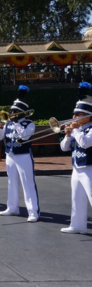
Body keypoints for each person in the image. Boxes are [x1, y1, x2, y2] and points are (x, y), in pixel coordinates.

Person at [0, 85, 39, 222]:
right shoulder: (8, 123)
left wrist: (16, 123)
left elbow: (25, 136)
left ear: (21, 112)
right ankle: (12, 207)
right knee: (11, 182)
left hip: (24, 156)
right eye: (11, 110)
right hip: (10, 155)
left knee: (28, 184)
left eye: (15, 111)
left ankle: (33, 212)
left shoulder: (29, 123)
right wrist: (1, 126)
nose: (12, 112)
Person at [60, 82, 92, 234]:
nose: (74, 117)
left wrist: (75, 131)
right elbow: (64, 148)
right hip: (77, 167)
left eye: (78, 114)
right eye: (74, 114)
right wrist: (67, 135)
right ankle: (77, 225)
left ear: (88, 116)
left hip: (90, 167)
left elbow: (85, 143)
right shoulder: (76, 130)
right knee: (76, 198)